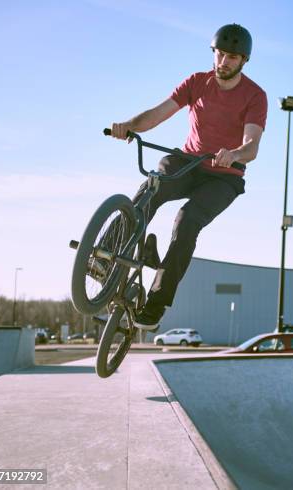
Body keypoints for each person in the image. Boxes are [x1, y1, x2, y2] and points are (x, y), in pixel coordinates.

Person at [109, 24, 268, 330]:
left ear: (244, 60)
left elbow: (252, 146)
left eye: (232, 57)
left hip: (225, 177)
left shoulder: (255, 96)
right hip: (188, 162)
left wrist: (234, 154)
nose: (224, 62)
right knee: (152, 186)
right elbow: (158, 113)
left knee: (187, 220)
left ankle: (157, 302)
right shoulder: (197, 82)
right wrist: (129, 125)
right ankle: (108, 252)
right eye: (220, 54)